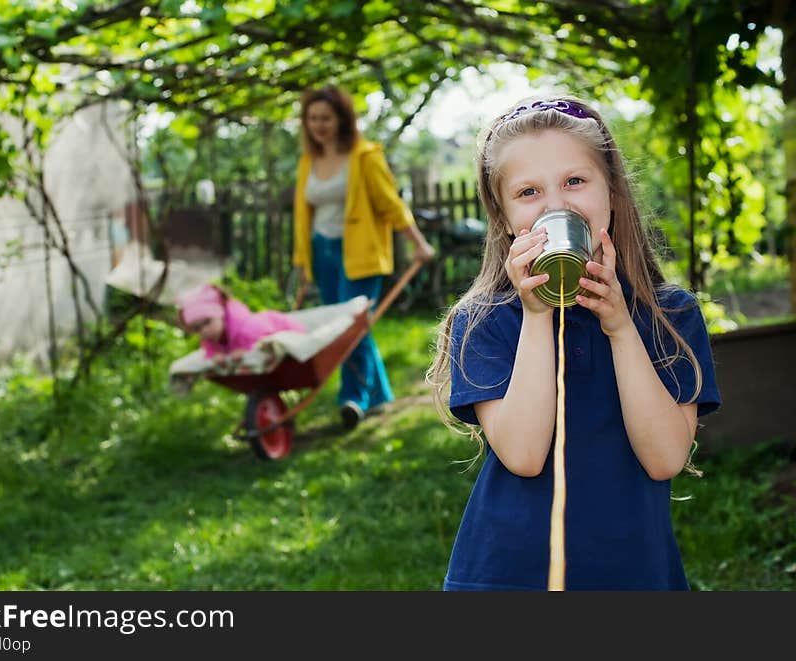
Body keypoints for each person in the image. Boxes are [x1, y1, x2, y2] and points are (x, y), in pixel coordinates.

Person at [426, 96, 722, 590]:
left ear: (613, 195)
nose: (556, 205)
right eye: (528, 192)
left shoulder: (669, 315)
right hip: (506, 578)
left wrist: (622, 328)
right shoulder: (483, 322)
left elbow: (666, 457)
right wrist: (538, 317)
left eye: (575, 182)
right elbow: (523, 454)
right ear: (502, 217)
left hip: (633, 575)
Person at [293, 85, 435, 429]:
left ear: (342, 119)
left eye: (326, 117)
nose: (319, 125)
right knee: (336, 326)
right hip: (322, 252)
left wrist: (418, 243)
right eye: (313, 118)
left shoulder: (364, 156)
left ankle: (353, 398)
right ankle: (379, 394)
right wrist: (301, 262)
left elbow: (390, 204)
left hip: (359, 253)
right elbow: (303, 216)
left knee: (351, 327)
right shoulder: (308, 162)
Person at [176, 283, 306, 360]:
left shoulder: (247, 328)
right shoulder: (210, 338)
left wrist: (248, 350)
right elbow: (210, 350)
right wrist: (216, 355)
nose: (204, 331)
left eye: (207, 322)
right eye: (197, 329)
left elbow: (266, 339)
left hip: (287, 329)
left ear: (220, 315)